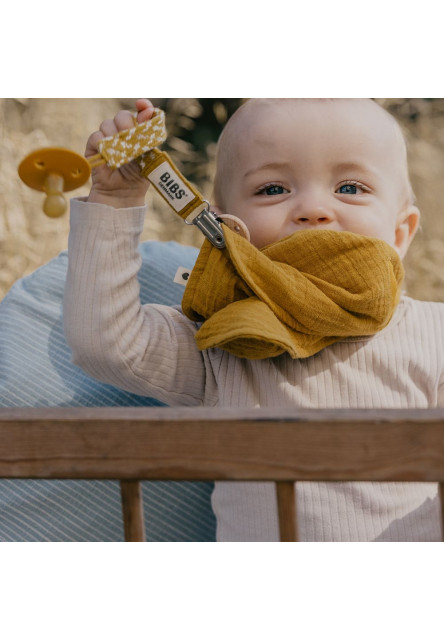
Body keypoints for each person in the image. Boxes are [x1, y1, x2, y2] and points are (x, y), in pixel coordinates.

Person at [64, 98, 444, 541]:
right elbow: (105, 344)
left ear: (399, 235)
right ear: (226, 228)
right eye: (272, 189)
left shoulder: (433, 334)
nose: (313, 209)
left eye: (351, 188)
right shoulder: (222, 341)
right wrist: (115, 197)